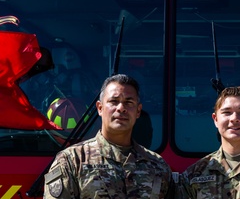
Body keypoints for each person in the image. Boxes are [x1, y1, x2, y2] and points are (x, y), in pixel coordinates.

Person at [43, 74, 174, 198]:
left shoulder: (158, 166)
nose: (121, 108)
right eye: (114, 101)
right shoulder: (71, 161)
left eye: (129, 103)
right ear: (100, 108)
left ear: (138, 111)